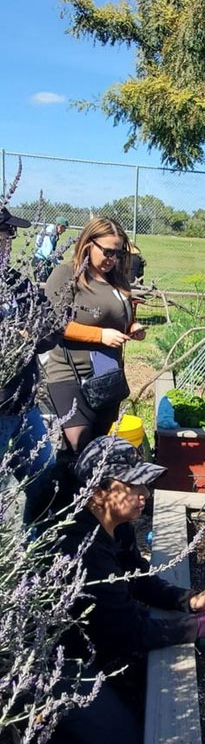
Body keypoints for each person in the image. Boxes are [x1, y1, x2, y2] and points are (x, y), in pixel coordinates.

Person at [52, 436, 205, 744]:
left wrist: (189, 601)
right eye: (133, 485)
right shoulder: (81, 549)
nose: (145, 493)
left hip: (98, 640)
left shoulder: (116, 525)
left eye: (145, 483)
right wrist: (203, 625)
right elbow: (131, 631)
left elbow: (138, 578)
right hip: (60, 661)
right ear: (98, 492)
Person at [43, 217, 146, 455]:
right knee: (79, 443)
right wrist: (100, 335)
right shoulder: (67, 274)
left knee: (96, 448)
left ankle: (86, 492)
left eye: (118, 254)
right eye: (108, 252)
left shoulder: (117, 280)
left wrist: (132, 327)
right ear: (88, 244)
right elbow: (53, 324)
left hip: (106, 376)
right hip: (68, 373)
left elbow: (120, 318)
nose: (113, 259)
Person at [0, 206, 61, 521]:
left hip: (23, 402)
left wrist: (33, 333)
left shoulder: (16, 283)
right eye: (7, 233)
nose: (11, 240)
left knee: (43, 481)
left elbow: (50, 324)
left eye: (12, 235)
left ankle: (35, 558)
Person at [33, 215, 69, 282]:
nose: (64, 231)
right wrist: (57, 262)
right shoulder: (50, 234)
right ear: (60, 226)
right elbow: (47, 253)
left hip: (42, 261)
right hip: (40, 262)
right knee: (42, 286)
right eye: (64, 228)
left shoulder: (53, 232)